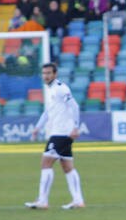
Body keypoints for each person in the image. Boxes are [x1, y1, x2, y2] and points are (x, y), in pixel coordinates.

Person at [25, 63, 85, 210]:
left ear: (55, 74)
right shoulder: (52, 90)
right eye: (44, 73)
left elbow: (74, 106)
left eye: (49, 73)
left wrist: (76, 127)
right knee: (67, 166)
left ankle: (42, 201)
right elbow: (47, 112)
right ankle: (78, 200)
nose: (46, 76)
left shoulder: (60, 88)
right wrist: (37, 128)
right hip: (60, 132)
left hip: (62, 133)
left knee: (46, 163)